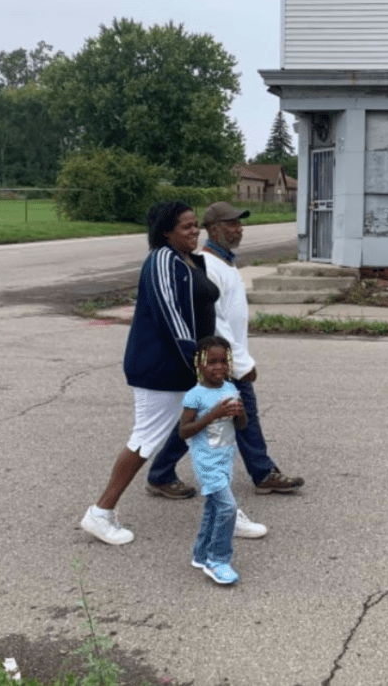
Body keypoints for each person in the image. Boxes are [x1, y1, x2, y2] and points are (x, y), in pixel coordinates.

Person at [80, 201, 266, 545]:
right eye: (186, 227)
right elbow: (172, 319)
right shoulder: (162, 260)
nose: (195, 231)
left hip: (186, 368)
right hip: (161, 370)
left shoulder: (190, 260)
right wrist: (201, 366)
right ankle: (100, 513)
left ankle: (226, 512)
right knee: (145, 439)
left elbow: (206, 316)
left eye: (195, 225)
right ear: (166, 232)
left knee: (211, 436)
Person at [146, 201, 304, 497]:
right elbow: (216, 322)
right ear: (214, 230)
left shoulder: (226, 263)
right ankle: (263, 473)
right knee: (241, 413)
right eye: (232, 224)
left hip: (227, 357)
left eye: (239, 223)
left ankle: (161, 473)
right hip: (221, 359)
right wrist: (240, 364)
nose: (239, 229)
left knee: (210, 415)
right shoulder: (209, 266)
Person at [181, 336, 246, 585]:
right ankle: (217, 560)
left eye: (223, 361)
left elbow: (242, 425)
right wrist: (213, 414)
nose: (218, 367)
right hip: (206, 462)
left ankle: (200, 554)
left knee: (214, 507)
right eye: (212, 362)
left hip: (225, 459)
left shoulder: (230, 389)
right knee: (228, 508)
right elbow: (183, 431)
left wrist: (240, 412)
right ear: (200, 364)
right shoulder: (195, 395)